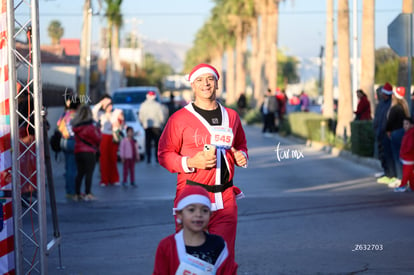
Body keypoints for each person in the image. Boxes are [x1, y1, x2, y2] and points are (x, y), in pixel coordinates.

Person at [158, 63, 248, 269]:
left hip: (225, 200)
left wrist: (241, 155)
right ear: (193, 85)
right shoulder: (179, 118)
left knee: (224, 260)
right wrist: (190, 162)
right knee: (192, 261)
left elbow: (241, 144)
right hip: (192, 197)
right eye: (200, 80)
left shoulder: (231, 116)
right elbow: (164, 154)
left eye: (210, 79)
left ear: (217, 83)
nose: (205, 84)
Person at [153, 185, 237, 275]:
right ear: (179, 214)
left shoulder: (218, 245)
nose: (198, 214)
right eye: (191, 210)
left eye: (204, 210)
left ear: (210, 215)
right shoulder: (167, 246)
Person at [71, 105, 101, 201]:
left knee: (80, 173)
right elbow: (97, 139)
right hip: (89, 151)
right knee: (89, 173)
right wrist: (99, 130)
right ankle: (88, 193)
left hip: (78, 151)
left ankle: (77, 193)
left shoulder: (76, 127)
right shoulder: (90, 127)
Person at [92, 96, 121, 186]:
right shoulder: (101, 115)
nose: (110, 107)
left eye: (111, 105)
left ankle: (114, 179)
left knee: (113, 158)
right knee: (104, 159)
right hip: (104, 137)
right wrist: (101, 103)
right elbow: (93, 111)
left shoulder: (115, 114)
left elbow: (121, 124)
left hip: (113, 137)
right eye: (108, 105)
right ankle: (104, 180)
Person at [385, 86, 411, 186]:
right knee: (405, 157)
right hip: (403, 133)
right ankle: (407, 178)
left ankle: (400, 178)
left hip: (395, 133)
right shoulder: (405, 107)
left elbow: (390, 121)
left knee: (397, 156)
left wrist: (388, 130)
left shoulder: (395, 108)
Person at [57, 95, 80, 199]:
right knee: (73, 168)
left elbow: (58, 125)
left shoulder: (65, 114)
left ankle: (68, 190)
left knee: (68, 167)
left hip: (64, 141)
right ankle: (72, 191)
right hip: (73, 141)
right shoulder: (78, 116)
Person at [373, 83, 395, 185]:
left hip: (386, 133)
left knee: (388, 155)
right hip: (380, 133)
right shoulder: (381, 104)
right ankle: (386, 173)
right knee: (382, 155)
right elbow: (378, 118)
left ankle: (391, 174)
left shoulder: (390, 104)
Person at [139, 91, 166, 164]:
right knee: (157, 143)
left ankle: (148, 158)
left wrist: (142, 123)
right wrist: (162, 123)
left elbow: (140, 116)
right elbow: (161, 116)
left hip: (147, 126)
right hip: (156, 126)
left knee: (148, 142)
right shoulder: (157, 105)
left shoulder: (143, 105)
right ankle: (157, 158)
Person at [394, 116, 414, 192]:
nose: (404, 126)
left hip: (409, 156)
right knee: (410, 173)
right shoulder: (408, 133)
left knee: (406, 173)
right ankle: (412, 186)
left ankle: (403, 185)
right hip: (407, 156)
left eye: (407, 124)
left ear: (412, 125)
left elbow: (410, 145)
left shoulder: (411, 134)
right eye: (404, 124)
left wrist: (404, 152)